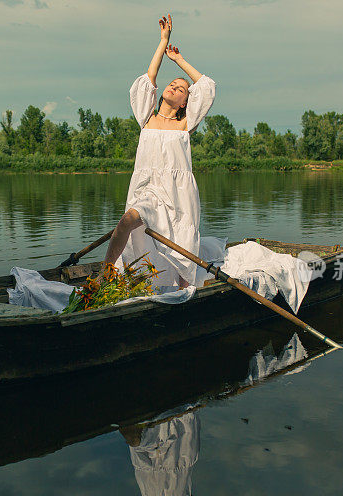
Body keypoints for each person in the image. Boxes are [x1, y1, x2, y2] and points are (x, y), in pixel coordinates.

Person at [100, 13, 217, 290]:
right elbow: (148, 78)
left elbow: (207, 87)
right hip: (149, 189)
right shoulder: (146, 118)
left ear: (184, 103)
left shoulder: (186, 124)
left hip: (178, 195)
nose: (173, 86)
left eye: (180, 89)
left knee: (181, 244)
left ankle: (183, 291)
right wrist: (163, 42)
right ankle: (104, 276)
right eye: (172, 83)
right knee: (127, 221)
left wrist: (179, 60)